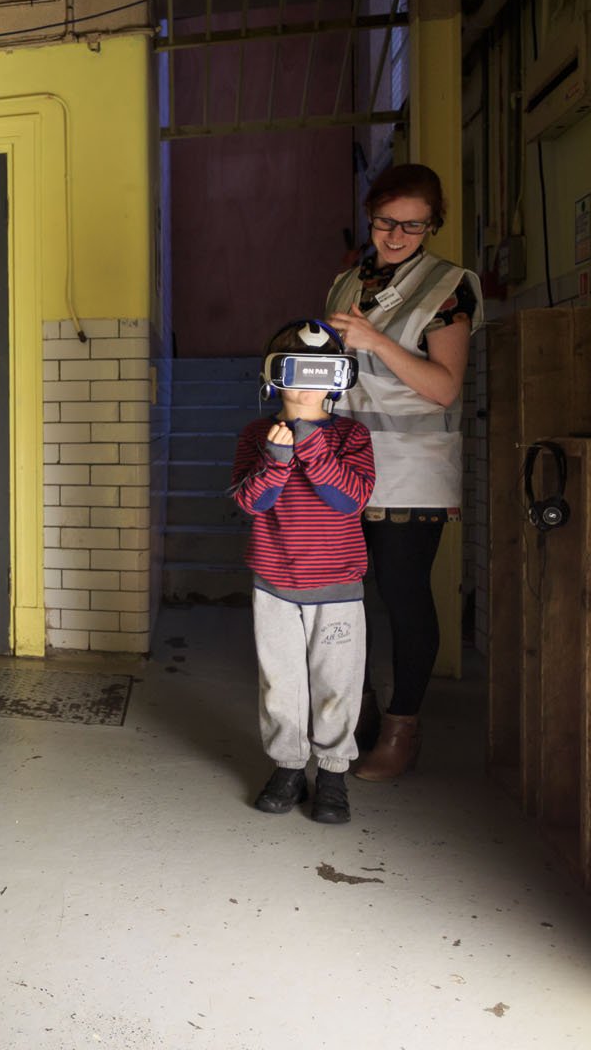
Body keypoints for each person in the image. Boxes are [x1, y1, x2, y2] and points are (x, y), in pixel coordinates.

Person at [325, 163, 484, 781]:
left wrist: (377, 341)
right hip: (344, 463)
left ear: (432, 225)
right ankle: (356, 715)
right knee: (345, 596)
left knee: (402, 593)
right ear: (370, 215)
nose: (396, 235)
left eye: (413, 226)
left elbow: (444, 388)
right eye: (387, 221)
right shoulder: (345, 282)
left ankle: (402, 729)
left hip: (413, 471)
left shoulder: (448, 287)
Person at [229, 319, 377, 823]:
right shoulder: (255, 435)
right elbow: (253, 501)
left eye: (321, 369)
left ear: (337, 376)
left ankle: (332, 773)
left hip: (337, 586)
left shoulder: (353, 435)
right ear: (275, 374)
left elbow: (349, 499)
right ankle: (289, 766)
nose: (308, 383)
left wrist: (309, 444)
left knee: (337, 682)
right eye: (298, 369)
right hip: (273, 583)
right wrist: (276, 457)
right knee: (280, 682)